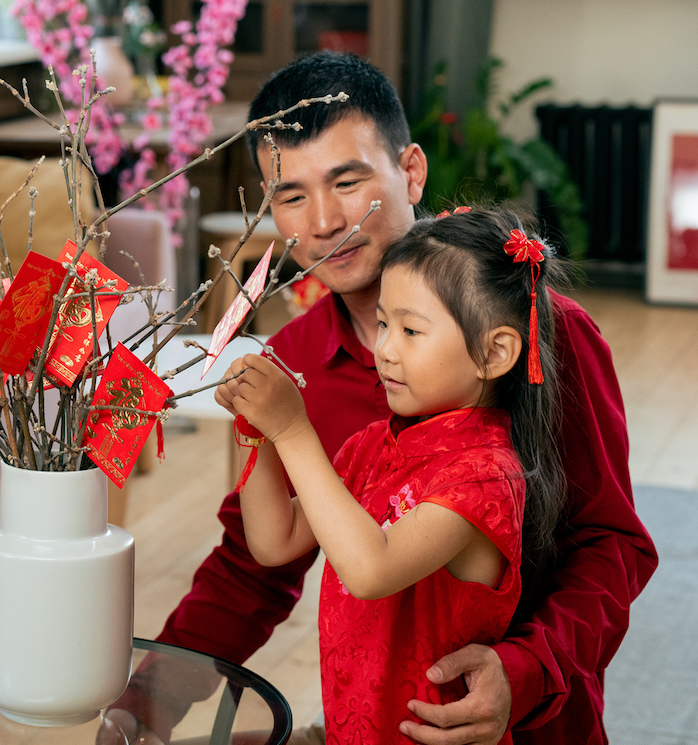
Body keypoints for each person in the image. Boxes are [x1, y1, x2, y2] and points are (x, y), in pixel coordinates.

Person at [125, 52, 656, 745]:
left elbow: (610, 545)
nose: (322, 222)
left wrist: (525, 668)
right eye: (290, 196)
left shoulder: (543, 337)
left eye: (347, 181)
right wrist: (148, 703)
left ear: (410, 171)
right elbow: (257, 565)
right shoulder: (297, 368)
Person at [217, 206, 568, 743]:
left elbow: (370, 570)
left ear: (495, 353)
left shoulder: (486, 477)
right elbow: (274, 541)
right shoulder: (374, 445)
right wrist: (257, 429)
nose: (384, 349)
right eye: (383, 323)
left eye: (410, 330)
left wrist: (293, 430)